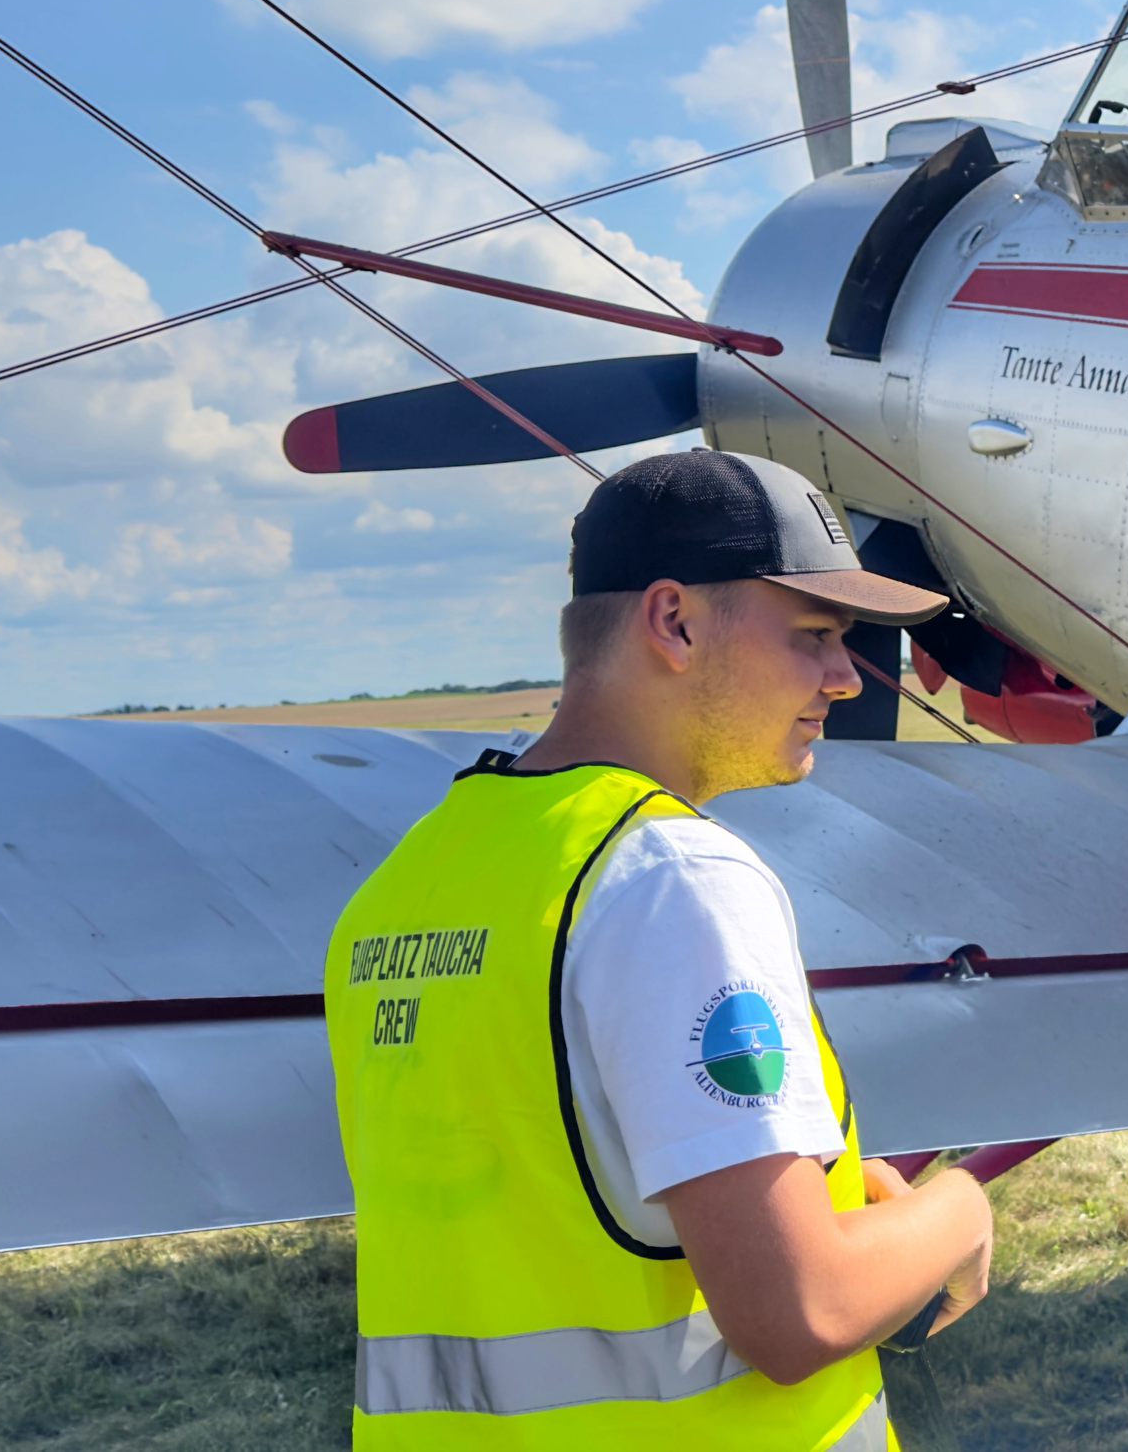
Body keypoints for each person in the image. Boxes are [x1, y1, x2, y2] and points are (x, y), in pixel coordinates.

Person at [324, 448, 997, 1447]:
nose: (844, 678)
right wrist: (957, 1211)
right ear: (674, 621)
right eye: (814, 635)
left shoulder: (407, 885)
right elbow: (799, 1311)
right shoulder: (670, 879)